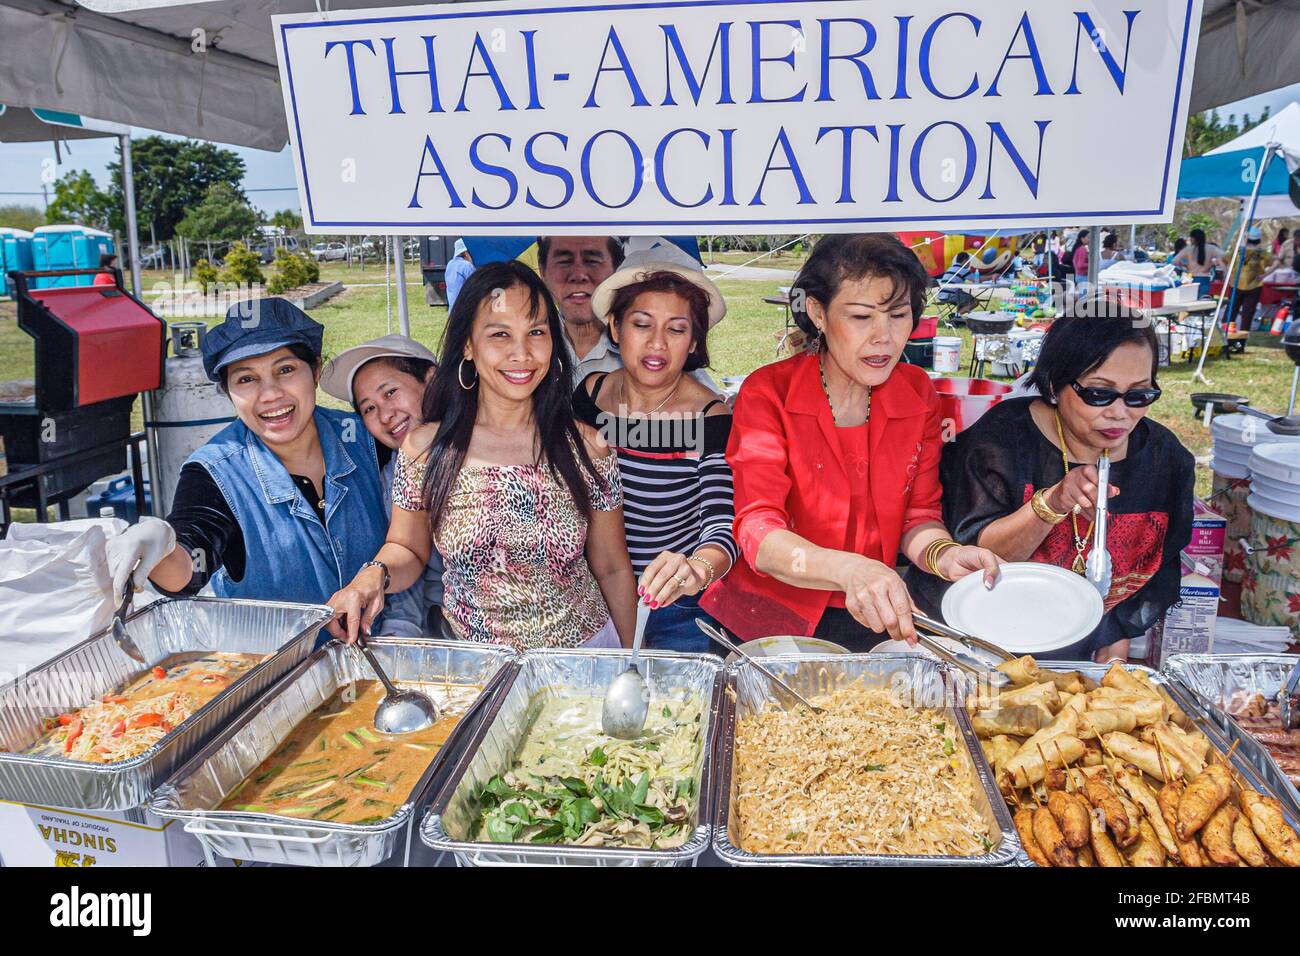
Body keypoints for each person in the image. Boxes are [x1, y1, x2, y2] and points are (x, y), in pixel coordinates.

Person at [699, 234, 1001, 650]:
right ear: (817, 312)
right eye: (861, 317)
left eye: (898, 315)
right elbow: (760, 533)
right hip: (767, 622)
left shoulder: (917, 393)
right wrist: (851, 569)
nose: (884, 337)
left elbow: (918, 516)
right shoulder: (769, 393)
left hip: (872, 614)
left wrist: (945, 555)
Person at [325, 260, 638, 651]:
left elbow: (612, 567)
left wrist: (627, 661)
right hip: (479, 668)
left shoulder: (588, 448)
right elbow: (408, 548)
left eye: (536, 332)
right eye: (500, 334)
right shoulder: (425, 449)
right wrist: (373, 575)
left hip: (585, 659)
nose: (522, 353)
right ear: (469, 346)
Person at [936, 302, 1194, 662]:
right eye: (1099, 393)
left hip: (1081, 653)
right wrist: (1051, 504)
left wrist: (1114, 640)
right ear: (1057, 384)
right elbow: (978, 556)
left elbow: (1159, 563)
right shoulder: (999, 442)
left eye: (1139, 395)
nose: (1120, 413)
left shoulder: (1166, 459)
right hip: (980, 644)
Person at [103, 300, 389, 616]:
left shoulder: (366, 437)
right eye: (246, 379)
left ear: (316, 370)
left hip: (391, 653)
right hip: (281, 661)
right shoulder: (215, 472)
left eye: (286, 370)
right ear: (227, 392)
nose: (270, 394)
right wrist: (163, 549)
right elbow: (190, 561)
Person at [573, 253, 735, 653]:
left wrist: (697, 569)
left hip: (676, 605)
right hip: (590, 599)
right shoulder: (590, 395)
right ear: (614, 326)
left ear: (694, 341)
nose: (657, 343)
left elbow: (723, 525)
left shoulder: (710, 417)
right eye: (641, 324)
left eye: (676, 329)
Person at [320, 334, 445, 637]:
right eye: (369, 409)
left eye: (390, 392)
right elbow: (407, 564)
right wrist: (398, 642)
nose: (385, 415)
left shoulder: (491, 447)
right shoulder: (394, 476)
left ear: (431, 380)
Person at [1229, 227, 1273, 332]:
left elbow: (1222, 259)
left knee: (1231, 311)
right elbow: (1277, 262)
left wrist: (1227, 272)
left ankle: (1226, 334)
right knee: (1247, 314)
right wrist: (1265, 275)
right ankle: (1242, 338)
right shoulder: (1262, 253)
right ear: (1258, 239)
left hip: (1236, 284)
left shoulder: (1238, 251)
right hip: (1254, 286)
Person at [1172, 228, 1225, 298]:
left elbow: (1174, 261)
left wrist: (1185, 265)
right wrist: (1212, 263)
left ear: (1193, 238)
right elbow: (1223, 256)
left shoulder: (1188, 249)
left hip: (1191, 279)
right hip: (1205, 279)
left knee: (1192, 301)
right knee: (1203, 302)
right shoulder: (1211, 248)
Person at [445, 238, 474, 310]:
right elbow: (476, 285)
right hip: (464, 309)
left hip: (452, 309)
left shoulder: (450, 264)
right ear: (466, 253)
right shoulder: (466, 266)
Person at [1069, 229, 1090, 295]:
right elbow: (1080, 265)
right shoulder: (1082, 249)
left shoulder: (1078, 248)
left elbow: (1075, 262)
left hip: (1079, 275)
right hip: (1083, 276)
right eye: (1088, 237)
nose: (1089, 239)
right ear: (1082, 238)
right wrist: (1091, 264)